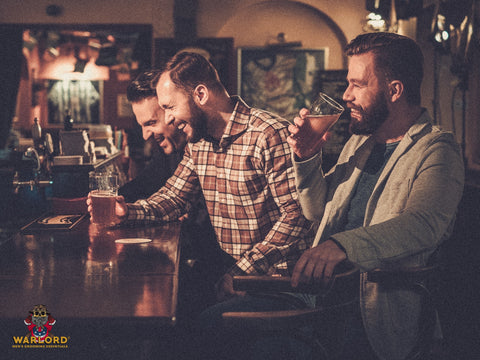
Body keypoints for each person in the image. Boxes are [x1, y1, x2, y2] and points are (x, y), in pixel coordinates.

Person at [287, 32, 465, 359]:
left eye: (358, 84)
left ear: (394, 90)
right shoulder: (362, 142)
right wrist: (306, 157)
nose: (346, 95)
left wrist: (341, 245)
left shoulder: (438, 150)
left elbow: (422, 225)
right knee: (218, 326)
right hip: (322, 304)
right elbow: (317, 212)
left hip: (374, 317)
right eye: (347, 83)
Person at [87, 52, 311, 300]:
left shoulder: (267, 134)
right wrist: (128, 212)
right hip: (232, 274)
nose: (169, 118)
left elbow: (296, 217)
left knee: (192, 324)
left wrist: (241, 272)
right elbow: (174, 197)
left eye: (170, 107)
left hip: (275, 282)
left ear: (201, 95)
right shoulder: (199, 142)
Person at [118, 70, 187, 202]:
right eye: (142, 126)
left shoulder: (204, 147)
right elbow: (144, 184)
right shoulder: (168, 152)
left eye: (151, 123)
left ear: (172, 110)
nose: (145, 136)